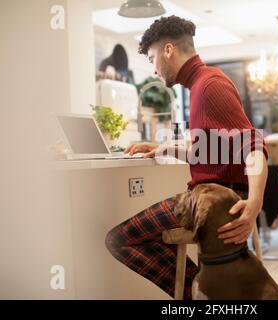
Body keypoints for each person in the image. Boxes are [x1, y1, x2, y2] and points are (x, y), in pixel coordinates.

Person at [105, 15, 269, 300]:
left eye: (153, 57)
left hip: (211, 201)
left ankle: (197, 293)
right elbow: (214, 152)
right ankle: (204, 291)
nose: (154, 69)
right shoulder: (201, 85)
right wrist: (164, 148)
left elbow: (251, 143)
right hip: (210, 196)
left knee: (119, 239)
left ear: (169, 50)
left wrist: (255, 203)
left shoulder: (209, 85)